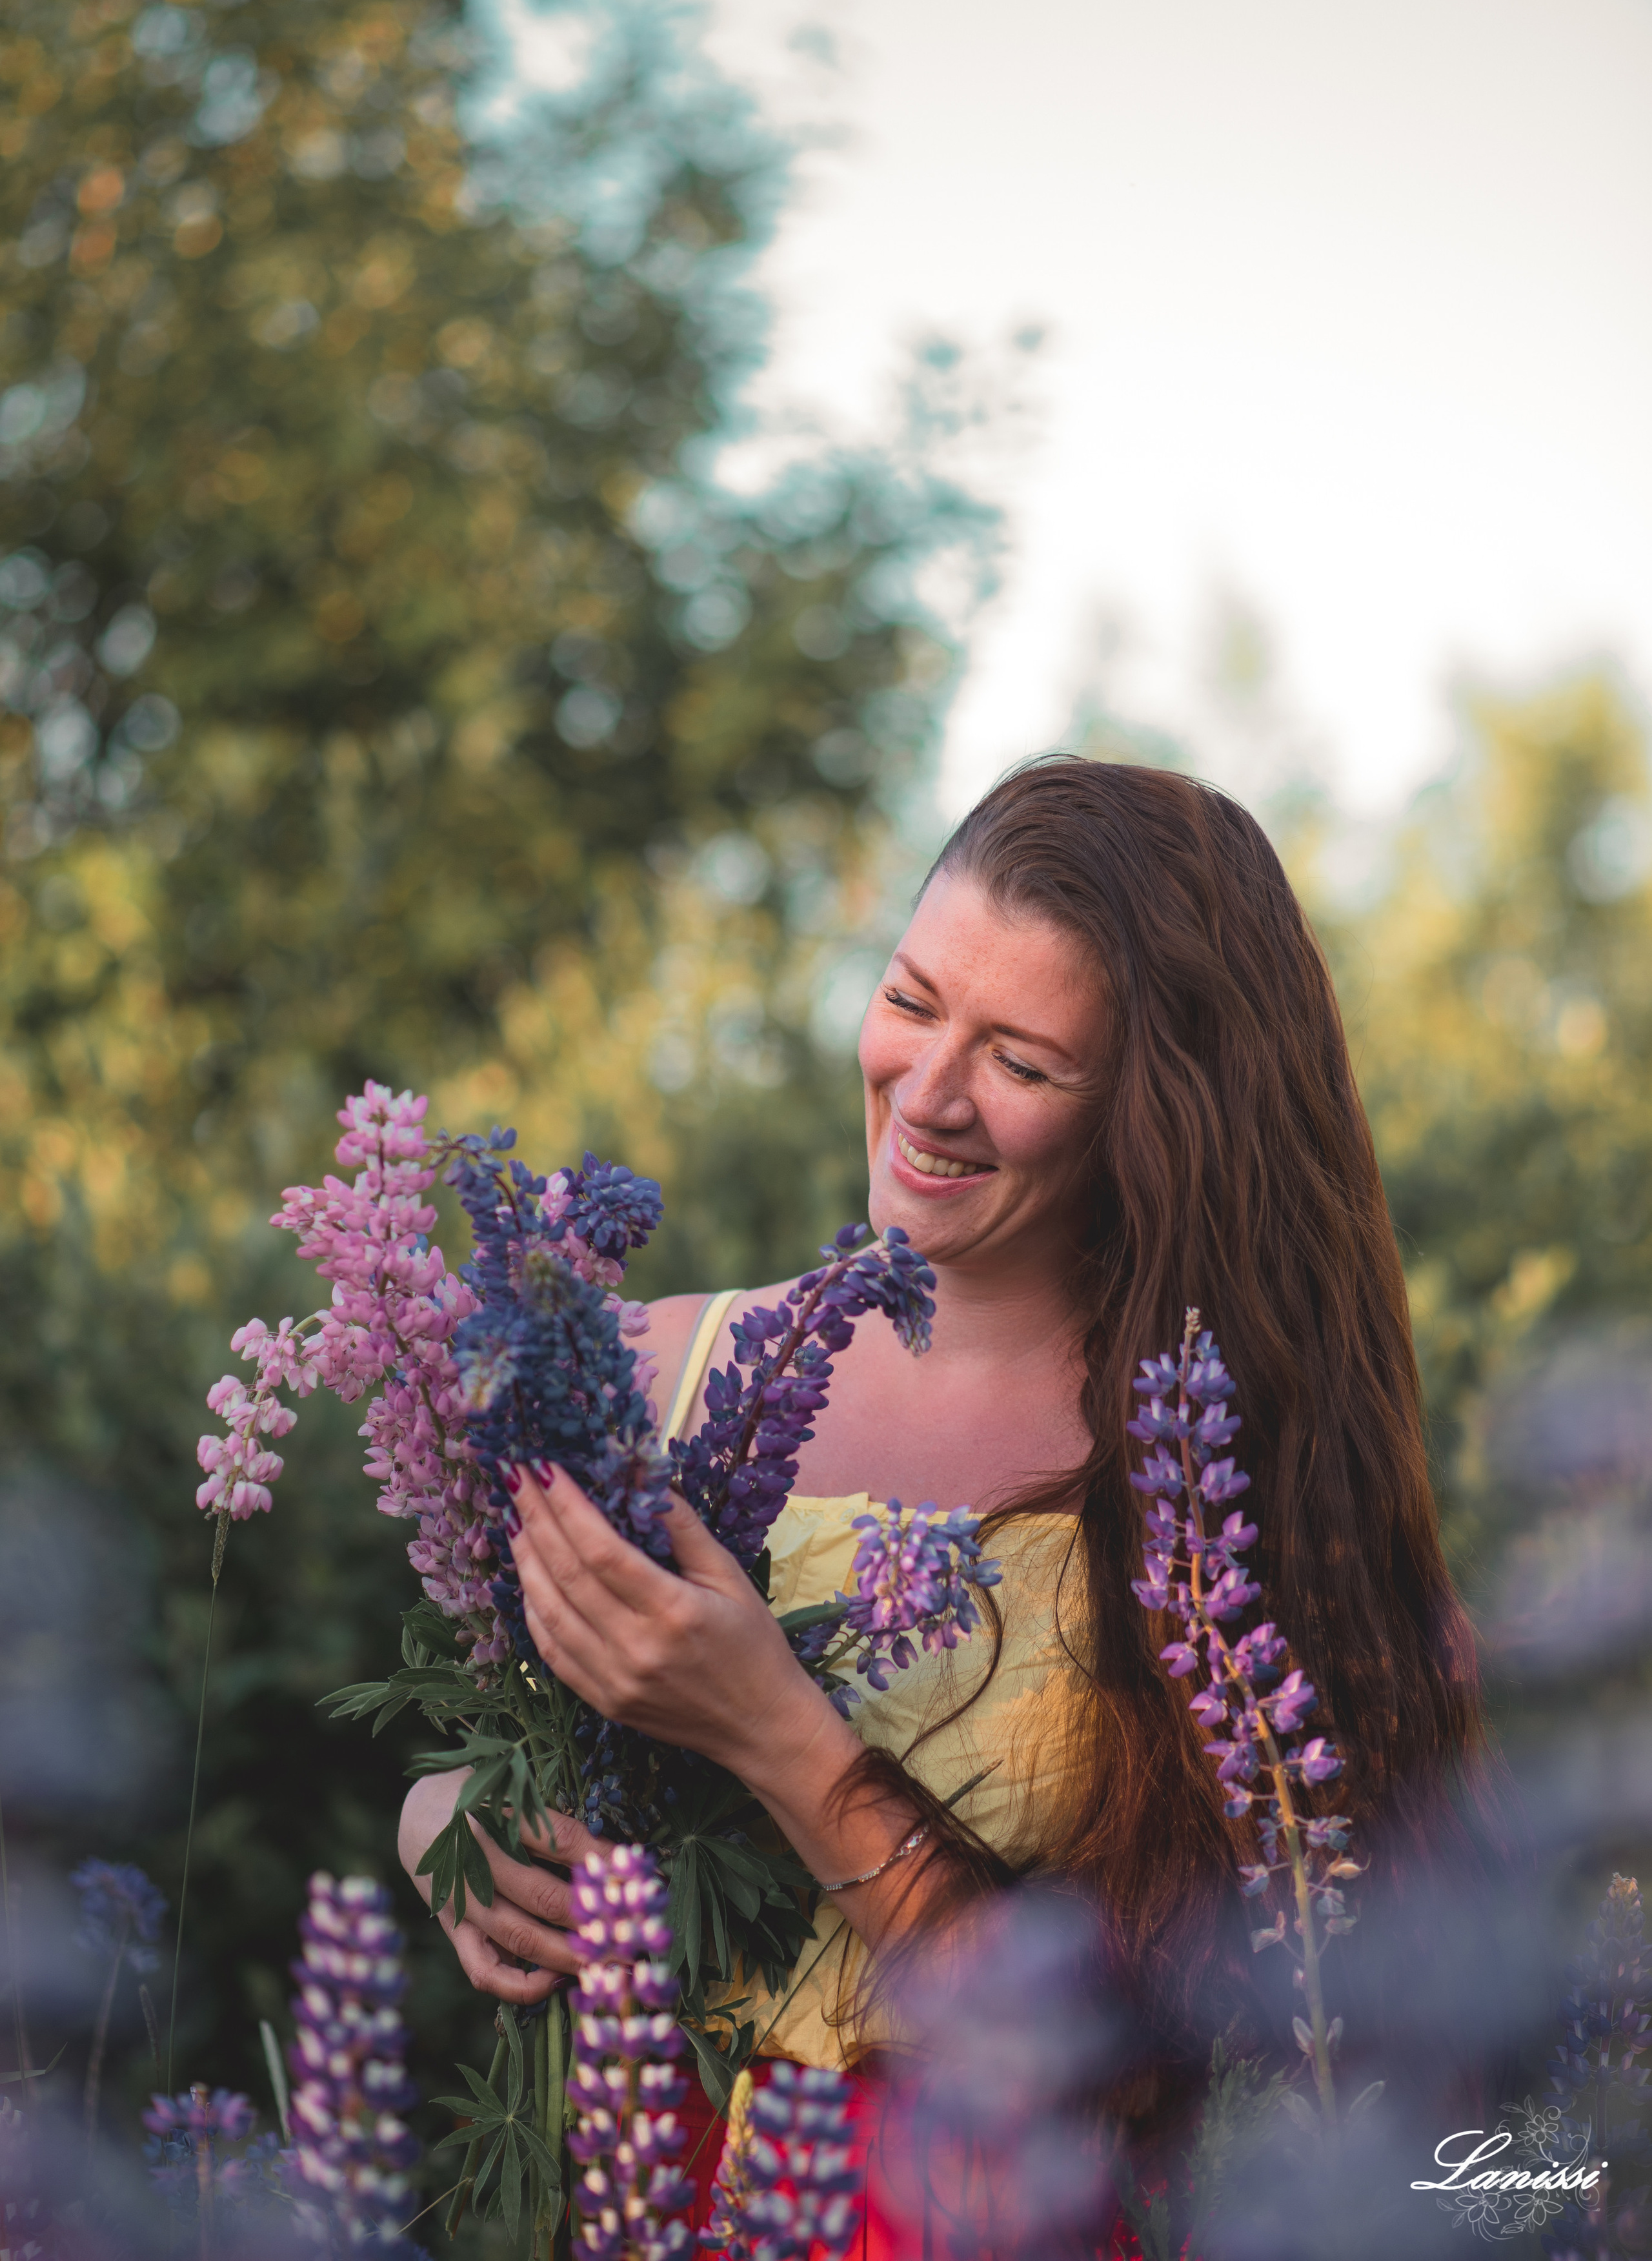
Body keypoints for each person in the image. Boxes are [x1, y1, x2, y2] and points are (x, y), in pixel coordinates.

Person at [398, 755, 1493, 2142]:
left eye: (1021, 1060)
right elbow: (507, 1746)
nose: (926, 1093)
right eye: (911, 1002)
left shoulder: (1212, 1485)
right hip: (643, 2202)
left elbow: (1165, 2080)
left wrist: (780, 1738)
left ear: (1151, 1118)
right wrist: (454, 1820)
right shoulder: (644, 1374)